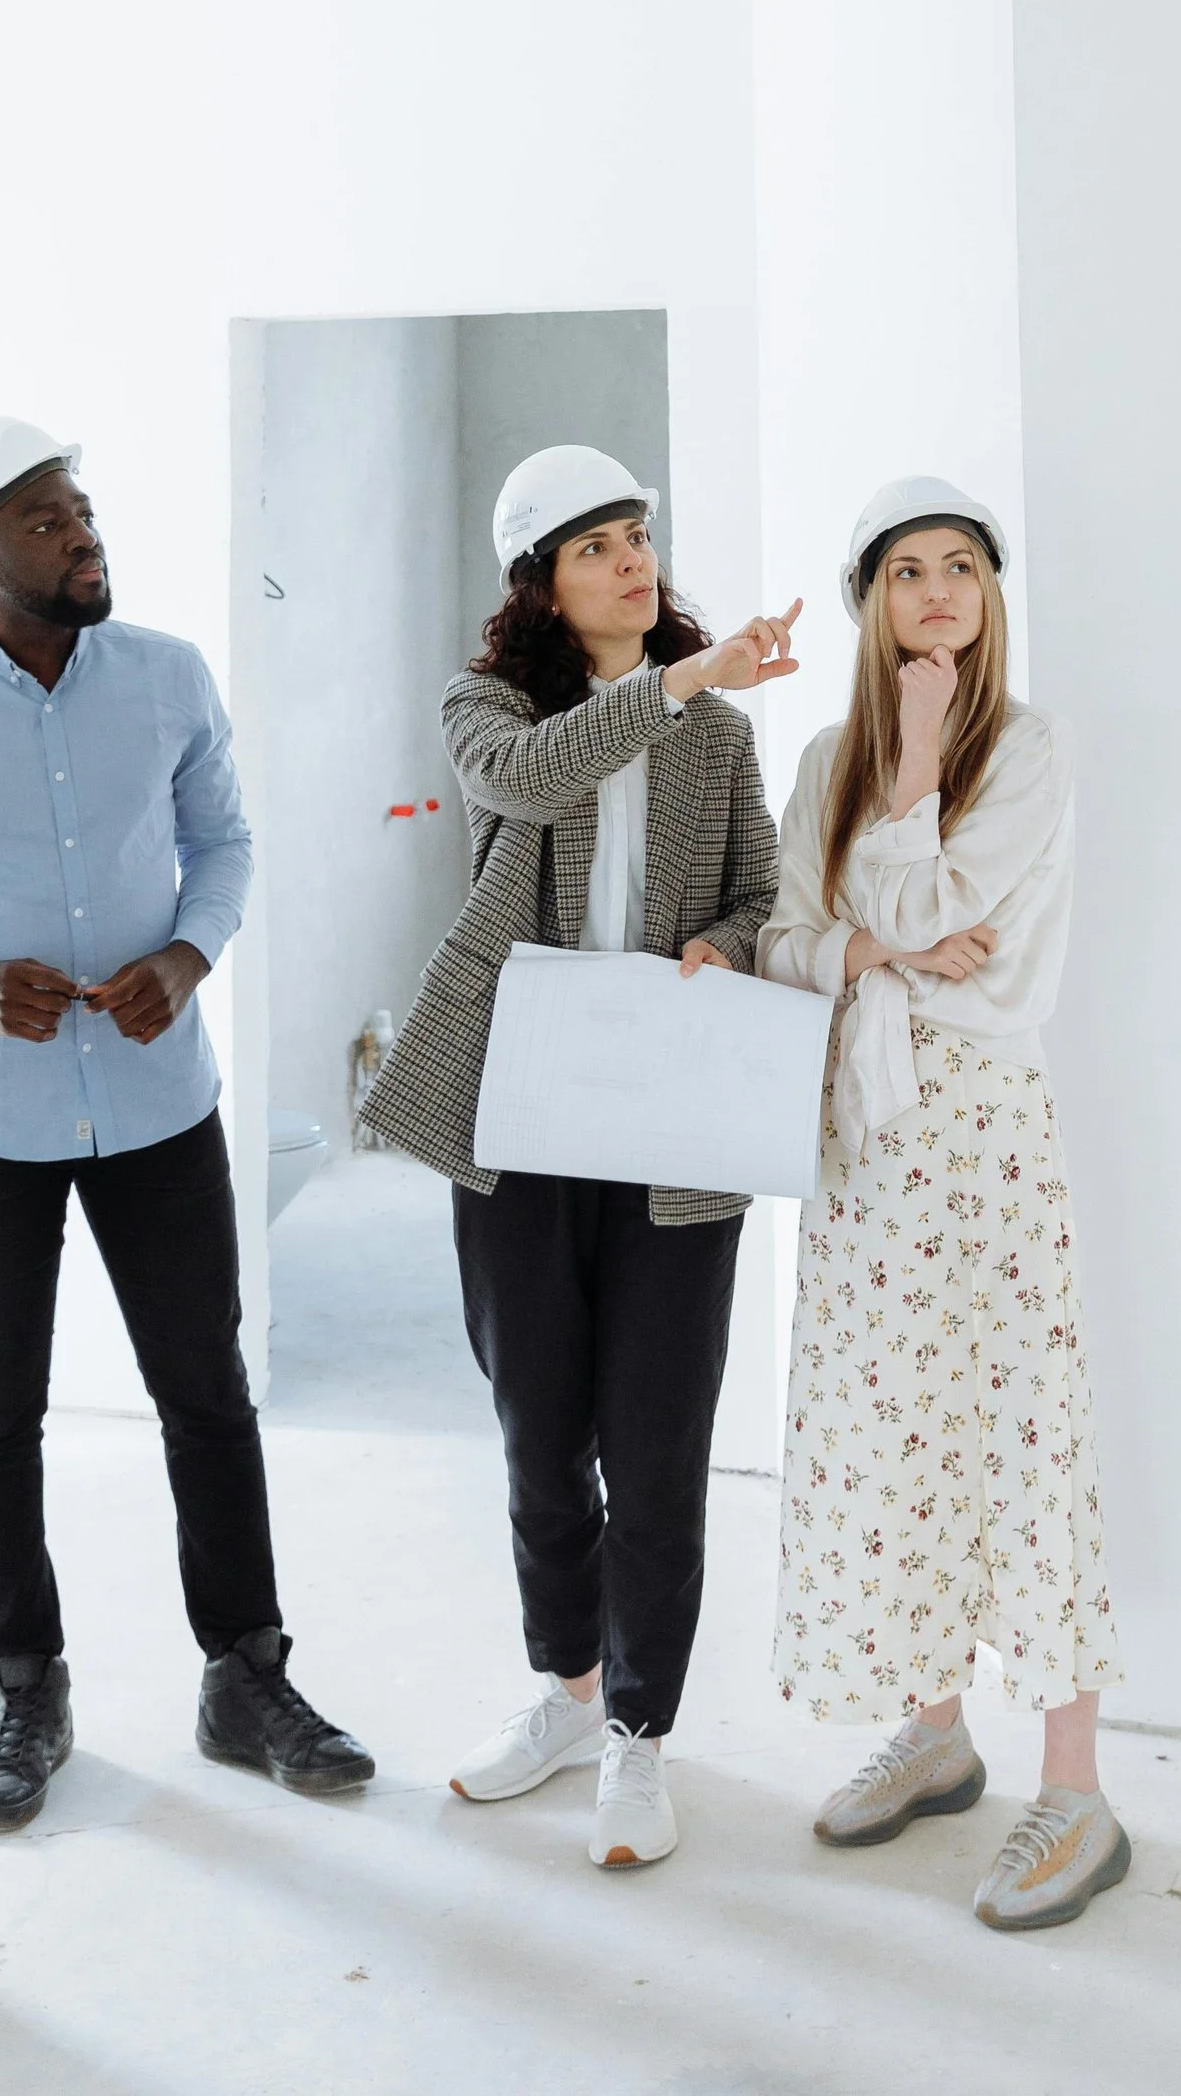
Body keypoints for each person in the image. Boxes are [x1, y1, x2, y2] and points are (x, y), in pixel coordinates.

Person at [0, 414, 372, 1832]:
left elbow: (224, 844)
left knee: (208, 1392)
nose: (81, 533)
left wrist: (188, 955)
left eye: (83, 507)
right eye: (44, 520)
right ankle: (25, 1688)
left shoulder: (169, 677)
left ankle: (248, 1674)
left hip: (160, 1106)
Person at [364, 442, 797, 1872]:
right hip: (521, 1118)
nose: (633, 560)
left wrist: (721, 946)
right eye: (598, 543)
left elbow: (756, 894)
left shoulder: (719, 736)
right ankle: (562, 1690)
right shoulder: (489, 706)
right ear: (543, 583)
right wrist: (673, 678)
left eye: (640, 536)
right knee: (540, 1434)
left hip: (671, 1121)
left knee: (658, 1445)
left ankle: (637, 1734)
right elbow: (531, 781)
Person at [758, 475, 1125, 1933]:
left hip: (983, 1140)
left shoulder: (1026, 753)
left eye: (960, 566)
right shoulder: (821, 759)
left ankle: (1079, 1786)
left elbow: (952, 944)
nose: (936, 592)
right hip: (864, 1146)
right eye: (906, 569)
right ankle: (935, 1724)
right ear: (871, 601)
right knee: (886, 1431)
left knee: (1022, 1429)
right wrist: (868, 940)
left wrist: (911, 774)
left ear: (989, 593)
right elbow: (798, 939)